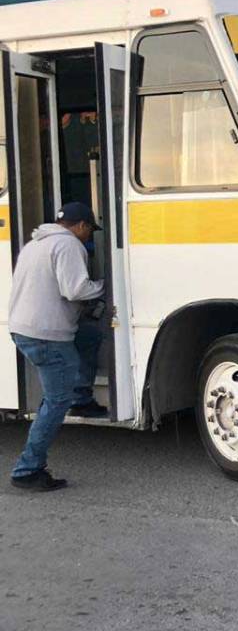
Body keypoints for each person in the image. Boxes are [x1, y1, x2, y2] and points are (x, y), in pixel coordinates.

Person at [9, 202, 106, 492]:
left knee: (89, 337)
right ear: (81, 226)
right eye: (89, 231)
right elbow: (75, 289)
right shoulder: (68, 245)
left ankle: (82, 397)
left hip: (25, 328)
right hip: (48, 335)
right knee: (55, 402)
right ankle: (27, 470)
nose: (89, 237)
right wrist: (104, 285)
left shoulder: (34, 244)